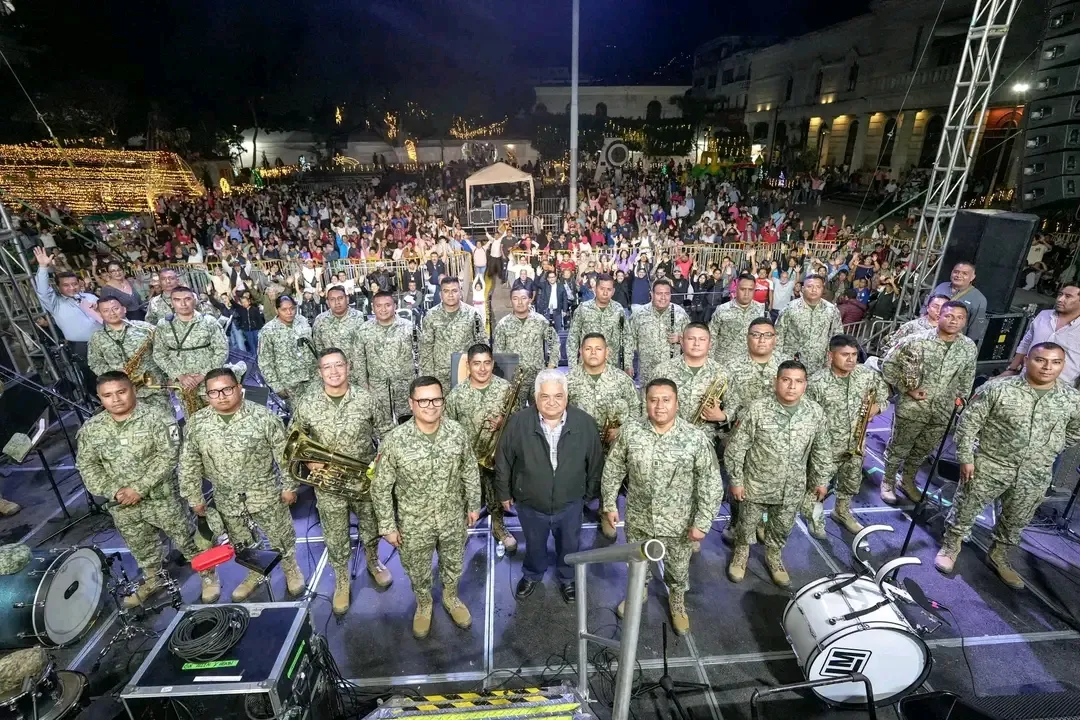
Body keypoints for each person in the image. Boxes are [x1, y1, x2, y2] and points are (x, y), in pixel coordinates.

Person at [939, 342, 1080, 589]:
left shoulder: (1071, 399)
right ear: (1026, 361)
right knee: (966, 508)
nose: (1047, 367)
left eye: (1055, 362)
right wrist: (966, 458)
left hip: (1035, 472)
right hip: (991, 464)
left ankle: (999, 556)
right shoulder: (998, 389)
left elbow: (1075, 431)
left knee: (1017, 519)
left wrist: (1050, 449)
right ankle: (951, 547)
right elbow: (969, 423)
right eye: (1040, 360)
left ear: (1063, 365)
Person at [76, 372, 219, 605]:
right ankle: (154, 578)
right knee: (141, 546)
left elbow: (170, 456)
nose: (116, 399)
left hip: (163, 498)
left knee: (187, 539)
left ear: (133, 390)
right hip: (123, 504)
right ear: (99, 398)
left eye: (121, 392)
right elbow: (87, 465)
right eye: (108, 395)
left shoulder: (158, 418)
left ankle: (208, 574)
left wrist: (139, 488)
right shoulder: (92, 429)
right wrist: (115, 491)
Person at [602, 379, 723, 634]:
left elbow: (711, 482)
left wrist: (702, 523)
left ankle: (677, 600)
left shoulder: (694, 438)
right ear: (645, 402)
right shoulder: (631, 432)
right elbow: (613, 468)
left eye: (666, 400)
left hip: (679, 523)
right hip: (639, 517)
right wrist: (610, 504)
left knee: (678, 567)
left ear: (677, 403)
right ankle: (639, 590)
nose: (659, 406)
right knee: (637, 560)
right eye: (653, 400)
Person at [179, 368, 305, 602]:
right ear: (206, 396)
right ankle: (254, 573)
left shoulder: (264, 417)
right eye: (213, 392)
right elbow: (189, 463)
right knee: (243, 541)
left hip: (265, 492)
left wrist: (289, 487)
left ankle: (291, 569)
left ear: (238, 388)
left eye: (227, 389)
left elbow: (286, 457)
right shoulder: (197, 423)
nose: (221, 396)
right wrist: (194, 497)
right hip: (227, 497)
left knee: (281, 536)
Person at [371, 377, 481, 639]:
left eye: (436, 399)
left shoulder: (456, 432)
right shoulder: (395, 440)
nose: (430, 405)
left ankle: (451, 597)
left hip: (452, 516)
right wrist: (387, 526)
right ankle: (423, 604)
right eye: (423, 400)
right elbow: (380, 487)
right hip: (413, 522)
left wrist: (474, 504)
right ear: (411, 403)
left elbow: (469, 469)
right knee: (417, 569)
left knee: (453, 563)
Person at [289, 348, 390, 615]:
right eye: (327, 367)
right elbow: (295, 436)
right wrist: (310, 461)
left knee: (371, 524)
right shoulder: (307, 402)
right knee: (334, 532)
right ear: (319, 372)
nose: (333, 372)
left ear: (348, 367)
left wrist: (380, 464)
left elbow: (386, 434)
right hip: (328, 482)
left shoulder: (367, 399)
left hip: (363, 478)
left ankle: (373, 561)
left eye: (338, 365)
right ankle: (342, 579)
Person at [495, 369, 604, 603]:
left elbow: (595, 461)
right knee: (534, 544)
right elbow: (503, 459)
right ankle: (533, 574)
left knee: (569, 544)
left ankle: (567, 578)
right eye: (545, 396)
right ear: (536, 398)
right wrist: (504, 492)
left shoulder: (584, 423)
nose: (552, 402)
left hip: (570, 503)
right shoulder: (519, 423)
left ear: (566, 396)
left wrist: (588, 495)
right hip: (531, 503)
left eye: (558, 396)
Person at [724, 361, 834, 587]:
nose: (791, 387)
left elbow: (822, 449)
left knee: (782, 527)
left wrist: (822, 480)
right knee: (746, 524)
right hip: (756, 484)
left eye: (798, 382)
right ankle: (741, 553)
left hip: (792, 487)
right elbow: (736, 448)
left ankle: (774, 557)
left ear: (805, 385)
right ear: (776, 382)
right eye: (786, 380)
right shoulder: (758, 409)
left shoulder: (814, 413)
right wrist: (736, 480)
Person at [881, 301, 977, 504]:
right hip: (914, 408)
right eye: (949, 316)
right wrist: (907, 389)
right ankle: (888, 482)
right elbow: (888, 365)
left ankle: (907, 481)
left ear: (965, 321)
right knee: (899, 447)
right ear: (940, 316)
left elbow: (967, 377)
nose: (954, 321)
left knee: (923, 450)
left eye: (960, 318)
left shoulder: (968, 347)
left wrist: (960, 402)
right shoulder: (916, 340)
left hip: (943, 411)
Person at [805, 335, 890, 536]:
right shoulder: (817, 382)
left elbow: (884, 397)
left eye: (854, 355)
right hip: (826, 448)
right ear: (831, 356)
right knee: (818, 486)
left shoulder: (866, 376)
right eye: (845, 355)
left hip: (855, 444)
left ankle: (841, 511)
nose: (851, 359)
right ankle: (815, 518)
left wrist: (876, 408)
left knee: (851, 482)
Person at [566, 332, 641, 539]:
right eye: (588, 349)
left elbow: (637, 410)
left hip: (613, 445)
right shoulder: (569, 380)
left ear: (607, 352)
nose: (593, 353)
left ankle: (606, 512)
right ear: (581, 352)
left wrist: (621, 430)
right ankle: (574, 513)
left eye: (598, 349)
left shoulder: (621, 380)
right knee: (576, 479)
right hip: (579, 445)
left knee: (611, 479)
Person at [444, 344, 517, 552]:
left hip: (497, 455)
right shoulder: (456, 395)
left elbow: (519, 419)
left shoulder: (505, 389)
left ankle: (498, 526)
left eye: (487, 363)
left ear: (493, 364)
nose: (482, 369)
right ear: (468, 365)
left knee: (496, 491)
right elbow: (449, 428)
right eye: (477, 364)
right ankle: (463, 528)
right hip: (470, 457)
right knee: (465, 495)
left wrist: (505, 421)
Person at [88, 296, 172, 417]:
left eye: (115, 308)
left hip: (154, 388)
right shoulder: (96, 338)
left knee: (166, 423)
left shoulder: (145, 328)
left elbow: (165, 352)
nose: (111, 313)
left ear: (124, 309)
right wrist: (114, 373)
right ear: (100, 314)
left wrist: (170, 376)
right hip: (122, 395)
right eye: (105, 311)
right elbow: (95, 363)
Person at [151, 286, 228, 416]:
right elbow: (159, 353)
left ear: (194, 300)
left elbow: (222, 350)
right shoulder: (163, 325)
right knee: (190, 418)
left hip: (209, 381)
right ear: (171, 302)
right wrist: (179, 375)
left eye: (187, 299)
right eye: (177, 300)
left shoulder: (209, 322)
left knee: (218, 416)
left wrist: (202, 375)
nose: (183, 303)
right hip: (182, 384)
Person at [355, 291, 416, 433]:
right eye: (379, 306)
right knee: (381, 425)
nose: (383, 309)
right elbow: (359, 360)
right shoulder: (364, 330)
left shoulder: (408, 327)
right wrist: (364, 386)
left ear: (395, 306)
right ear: (373, 307)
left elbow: (420, 353)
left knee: (407, 423)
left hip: (404, 385)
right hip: (377, 387)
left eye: (387, 305)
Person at [493, 288, 561, 407]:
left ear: (530, 300)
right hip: (514, 381)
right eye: (515, 298)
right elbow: (498, 354)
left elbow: (554, 342)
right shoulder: (503, 325)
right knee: (515, 417)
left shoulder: (540, 322)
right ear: (511, 301)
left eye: (523, 298)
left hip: (538, 378)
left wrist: (551, 366)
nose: (519, 302)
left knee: (541, 413)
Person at [32, 246, 102, 358]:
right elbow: (43, 291)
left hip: (106, 340)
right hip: (82, 347)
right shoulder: (55, 304)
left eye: (74, 284)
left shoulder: (90, 297)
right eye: (66, 285)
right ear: (58, 287)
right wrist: (43, 267)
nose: (72, 288)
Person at [1005, 285, 1080, 386]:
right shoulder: (1043, 315)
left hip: (1060, 387)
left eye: (1068, 296)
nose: (1060, 299)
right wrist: (1012, 369)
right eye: (1060, 294)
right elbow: (1026, 343)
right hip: (1025, 379)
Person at [419, 277, 486, 388]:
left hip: (466, 373)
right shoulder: (431, 316)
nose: (450, 295)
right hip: (440, 376)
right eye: (446, 291)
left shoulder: (472, 314)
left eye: (454, 291)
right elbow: (426, 348)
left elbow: (482, 343)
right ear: (440, 294)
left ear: (460, 292)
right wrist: (429, 378)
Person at [625, 278, 691, 385]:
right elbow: (628, 341)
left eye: (667, 294)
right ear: (652, 294)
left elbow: (692, 340)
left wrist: (680, 338)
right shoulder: (639, 314)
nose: (663, 297)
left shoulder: (680, 313)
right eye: (659, 293)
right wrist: (628, 365)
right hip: (647, 374)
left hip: (673, 373)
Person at [775, 274, 842, 373]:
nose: (814, 290)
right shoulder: (790, 309)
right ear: (802, 289)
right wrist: (778, 361)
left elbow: (838, 336)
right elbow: (778, 336)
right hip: (792, 364)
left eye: (818, 287)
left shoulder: (831, 310)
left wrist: (833, 359)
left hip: (820, 365)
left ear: (823, 289)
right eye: (809, 286)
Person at [258, 295, 316, 405]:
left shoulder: (302, 321)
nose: (289, 312)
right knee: (298, 417)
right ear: (276, 310)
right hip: (290, 383)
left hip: (313, 378)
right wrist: (277, 386)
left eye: (292, 308)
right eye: (284, 310)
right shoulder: (268, 331)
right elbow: (265, 362)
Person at [566, 274, 628, 370]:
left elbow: (626, 337)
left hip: (611, 366)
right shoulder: (583, 308)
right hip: (586, 365)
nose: (605, 293)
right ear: (595, 289)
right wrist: (572, 365)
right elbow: (573, 337)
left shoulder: (618, 309)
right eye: (602, 289)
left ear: (613, 291)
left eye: (609, 289)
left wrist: (627, 364)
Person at [708, 274, 767, 365]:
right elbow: (711, 337)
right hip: (724, 363)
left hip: (751, 364)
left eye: (750, 290)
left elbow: (768, 338)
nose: (746, 293)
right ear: (736, 289)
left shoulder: (762, 311)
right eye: (743, 289)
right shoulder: (722, 310)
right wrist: (710, 363)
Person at [312, 285, 366, 380]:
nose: (337, 302)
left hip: (358, 374)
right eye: (332, 299)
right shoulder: (320, 320)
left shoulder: (360, 318)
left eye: (340, 298)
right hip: (333, 375)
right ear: (328, 303)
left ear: (347, 299)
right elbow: (318, 348)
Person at [932, 262, 988, 343]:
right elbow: (926, 308)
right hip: (930, 336)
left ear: (972, 277)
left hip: (953, 342)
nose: (958, 275)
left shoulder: (979, 299)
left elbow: (975, 329)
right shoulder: (941, 287)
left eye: (964, 273)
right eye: (956, 272)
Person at [882, 294, 949, 356]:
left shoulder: (950, 331)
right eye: (935, 306)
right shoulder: (911, 326)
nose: (939, 310)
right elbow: (888, 348)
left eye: (944, 307)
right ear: (928, 308)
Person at [144, 268, 216, 325]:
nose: (168, 281)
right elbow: (150, 324)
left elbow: (208, 315)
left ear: (177, 280)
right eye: (163, 279)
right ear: (160, 282)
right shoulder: (154, 302)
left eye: (171, 278)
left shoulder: (190, 296)